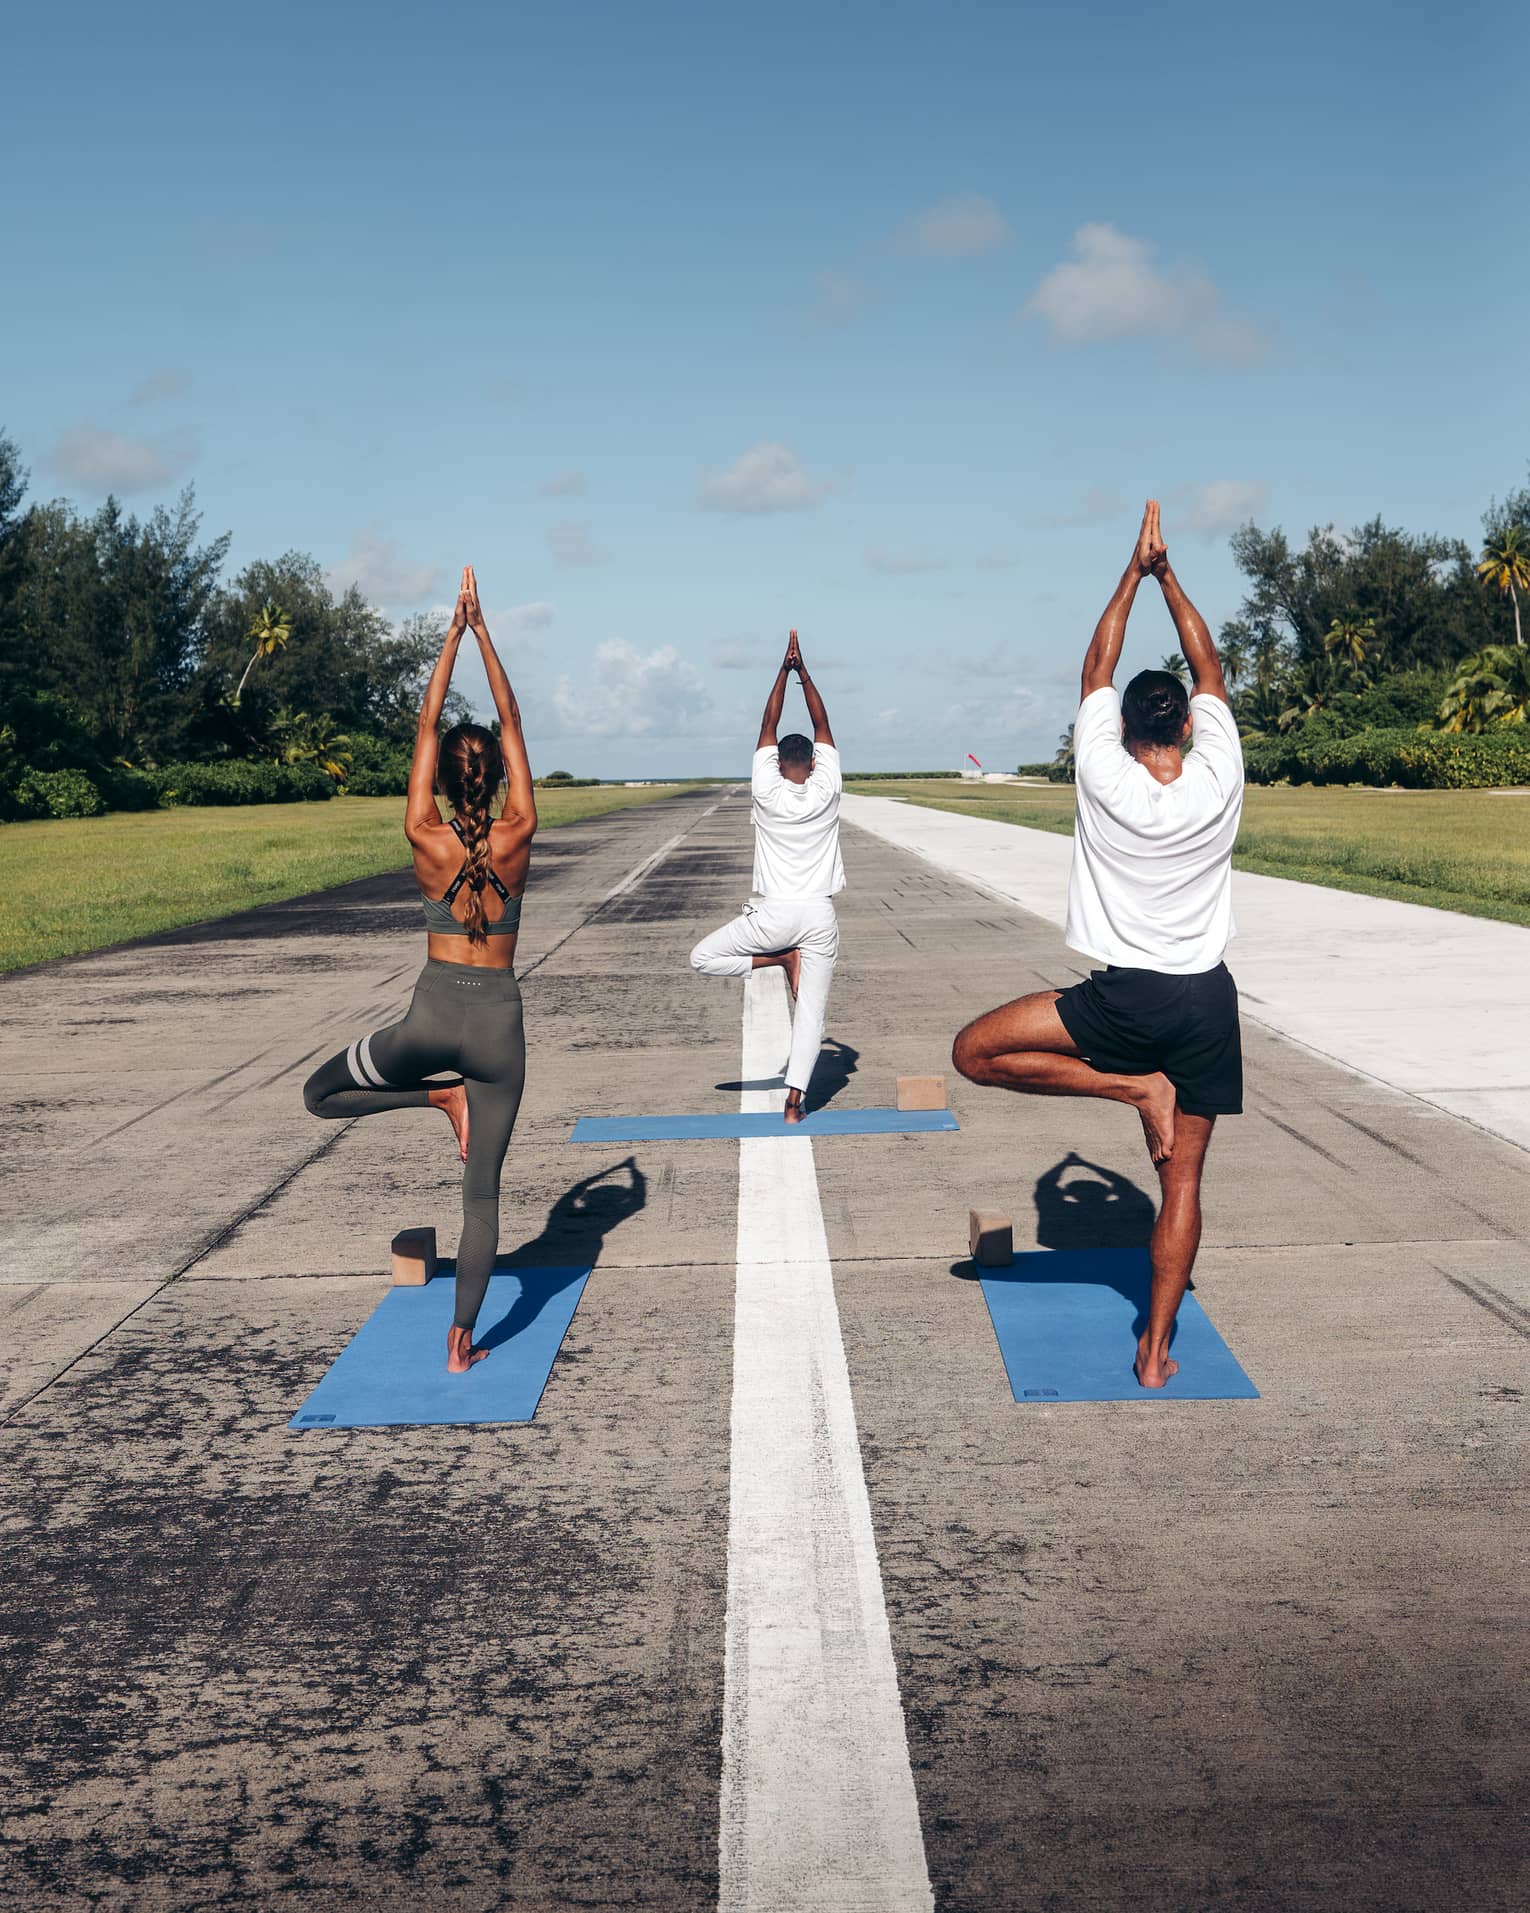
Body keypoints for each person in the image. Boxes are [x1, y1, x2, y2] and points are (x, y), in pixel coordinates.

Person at [951, 502, 1245, 1387]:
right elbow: (1209, 663)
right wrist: (1171, 577)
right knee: (1181, 1186)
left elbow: (1096, 663)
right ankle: (1155, 1352)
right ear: (1188, 726)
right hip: (1205, 1003)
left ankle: (1129, 1087)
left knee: (973, 1052)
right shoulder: (1221, 768)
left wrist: (1132, 569)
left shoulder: (1103, 770)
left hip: (1124, 1000)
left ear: (1122, 727)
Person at [302, 566, 536, 1374]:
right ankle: (463, 1339)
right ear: (500, 778)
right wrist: (485, 635)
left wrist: (451, 634)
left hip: (429, 1020)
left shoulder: (420, 831)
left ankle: (434, 1092)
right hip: (500, 1030)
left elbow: (429, 722)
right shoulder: (522, 828)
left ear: (439, 780)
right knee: (482, 1200)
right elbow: (507, 715)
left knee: (319, 1094)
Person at [690, 630, 844, 1124]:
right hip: (818, 914)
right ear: (815, 763)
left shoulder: (765, 789)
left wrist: (783, 669)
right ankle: (795, 1101)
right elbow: (823, 721)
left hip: (774, 914)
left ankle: (777, 960)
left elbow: (767, 723)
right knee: (812, 1013)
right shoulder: (827, 787)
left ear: (777, 764)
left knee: (703, 958)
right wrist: (804, 674)